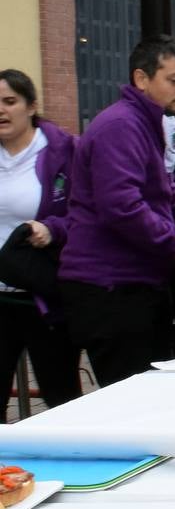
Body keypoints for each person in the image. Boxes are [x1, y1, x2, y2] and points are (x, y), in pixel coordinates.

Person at [59, 35, 175, 387]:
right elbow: (122, 207)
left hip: (134, 285)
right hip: (110, 288)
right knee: (129, 400)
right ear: (141, 79)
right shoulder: (121, 125)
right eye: (174, 80)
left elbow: (166, 194)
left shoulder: (146, 122)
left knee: (149, 393)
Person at [0, 70, 82, 418]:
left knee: (61, 397)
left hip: (42, 295)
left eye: (9, 101)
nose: (1, 110)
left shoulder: (63, 151)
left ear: (31, 106)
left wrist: (52, 229)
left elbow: (86, 214)